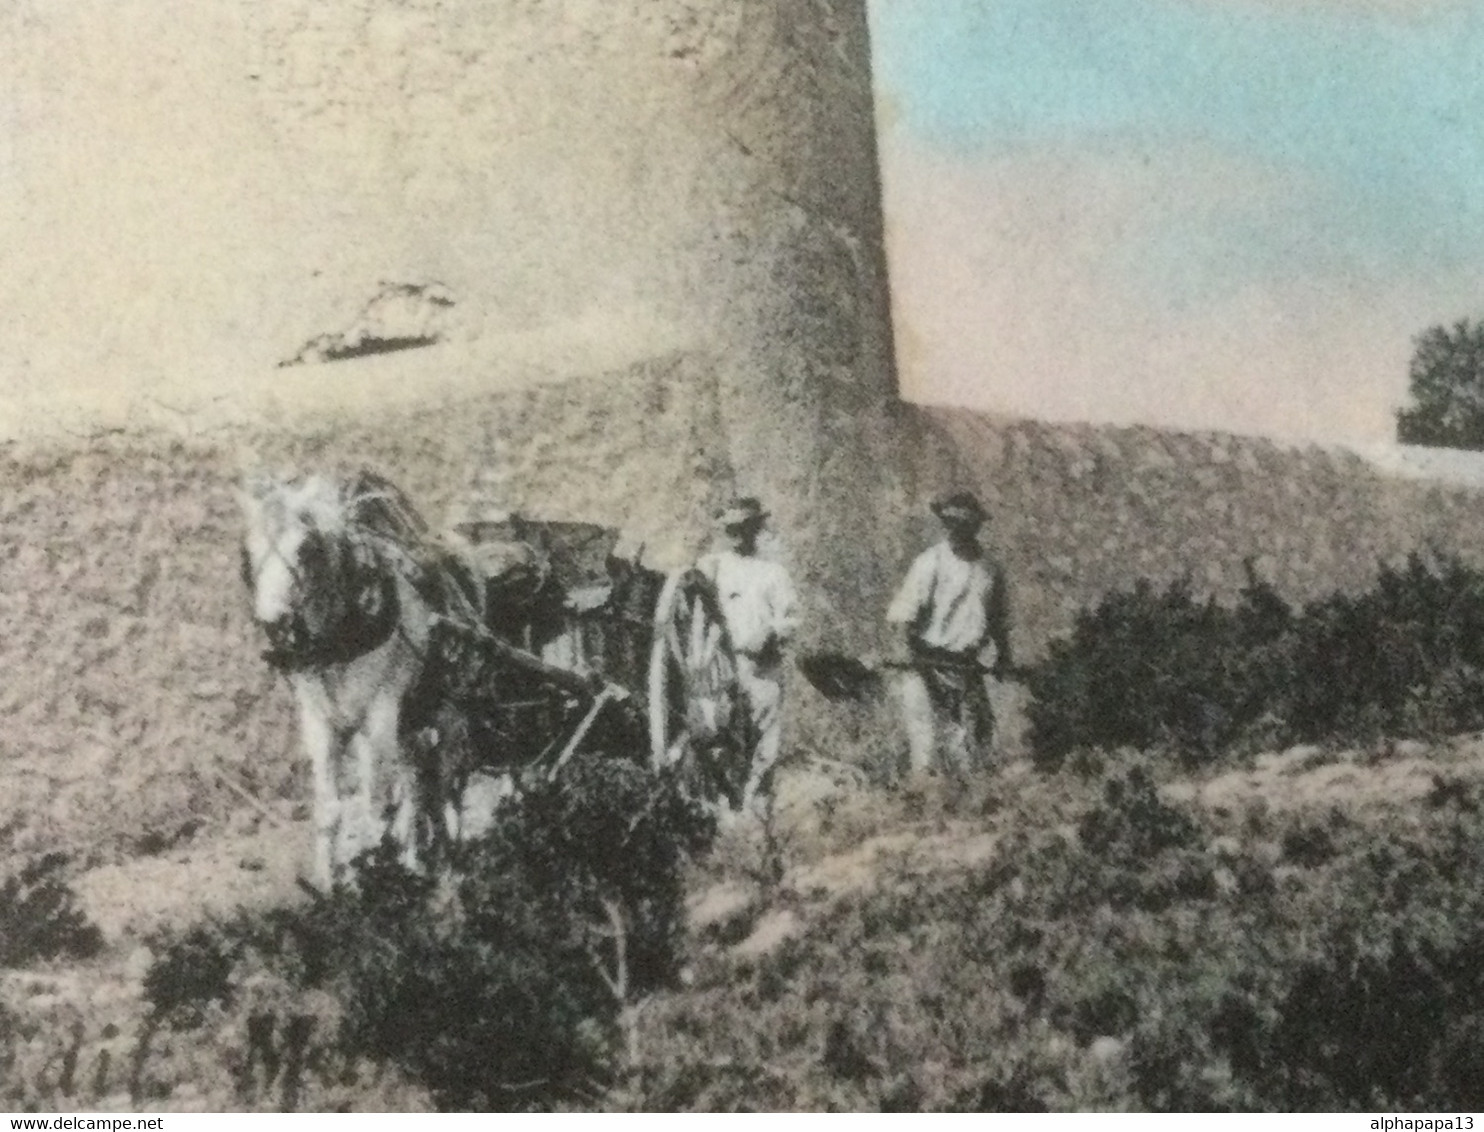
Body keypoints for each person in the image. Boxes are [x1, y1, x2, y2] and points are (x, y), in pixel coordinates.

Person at [886, 490, 1010, 778]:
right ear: (946, 524)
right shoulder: (930, 563)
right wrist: (920, 662)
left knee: (978, 740)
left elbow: (998, 621)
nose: (960, 529)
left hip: (966, 665)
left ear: (977, 525)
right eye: (953, 523)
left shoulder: (990, 570)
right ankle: (925, 810)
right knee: (927, 750)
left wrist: (1004, 655)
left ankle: (969, 811)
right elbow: (906, 617)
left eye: (967, 523)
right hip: (927, 663)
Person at [695, 497, 800, 809]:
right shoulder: (712, 567)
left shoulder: (773, 573)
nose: (738, 533)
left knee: (764, 742)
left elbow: (791, 619)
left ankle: (757, 814)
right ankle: (723, 809)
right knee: (719, 736)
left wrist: (770, 631)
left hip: (761, 668)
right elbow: (691, 598)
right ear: (725, 531)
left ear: (757, 528)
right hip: (719, 666)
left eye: (745, 527)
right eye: (732, 528)